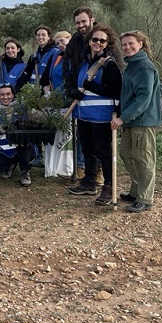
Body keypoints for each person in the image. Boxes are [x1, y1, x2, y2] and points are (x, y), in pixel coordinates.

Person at [68, 25, 123, 204]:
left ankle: (109, 186)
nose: (97, 43)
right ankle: (89, 182)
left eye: (102, 40)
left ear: (108, 43)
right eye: (94, 39)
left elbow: (115, 91)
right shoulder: (85, 63)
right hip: (84, 115)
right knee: (88, 150)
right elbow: (77, 84)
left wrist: (93, 87)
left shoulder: (108, 64)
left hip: (101, 117)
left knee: (103, 152)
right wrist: (74, 92)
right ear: (89, 41)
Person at [111, 31, 162, 213]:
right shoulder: (132, 65)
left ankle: (145, 198)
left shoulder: (144, 67)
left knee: (143, 159)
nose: (127, 47)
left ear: (140, 44)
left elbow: (143, 98)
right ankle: (135, 191)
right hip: (131, 121)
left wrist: (122, 118)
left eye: (131, 43)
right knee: (127, 153)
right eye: (124, 45)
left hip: (143, 120)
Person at [0, 84, 36, 186]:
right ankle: (11, 164)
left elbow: (38, 116)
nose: (5, 97)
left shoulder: (23, 108)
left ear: (13, 95)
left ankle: (25, 171)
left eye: (8, 94)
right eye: (2, 95)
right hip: (5, 150)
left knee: (22, 147)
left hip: (24, 147)